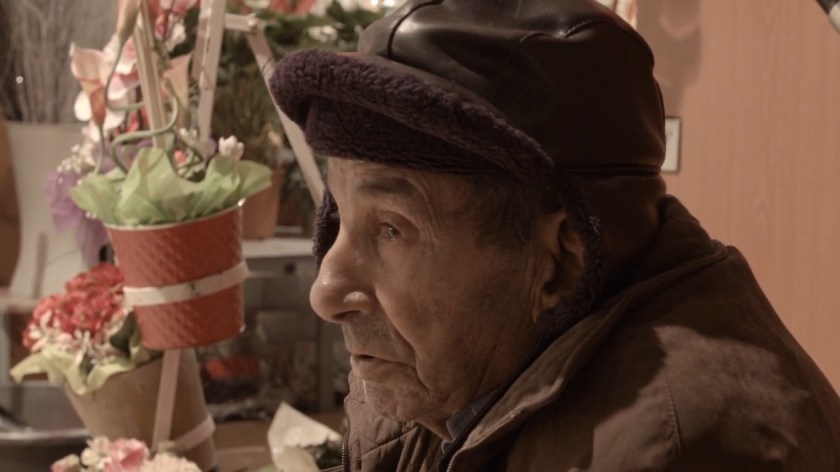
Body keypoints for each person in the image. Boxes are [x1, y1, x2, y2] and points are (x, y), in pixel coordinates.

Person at [269, 0, 840, 470]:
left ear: (563, 260)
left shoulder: (673, 452)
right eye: (339, 215)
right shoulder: (455, 365)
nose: (325, 292)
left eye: (392, 229)